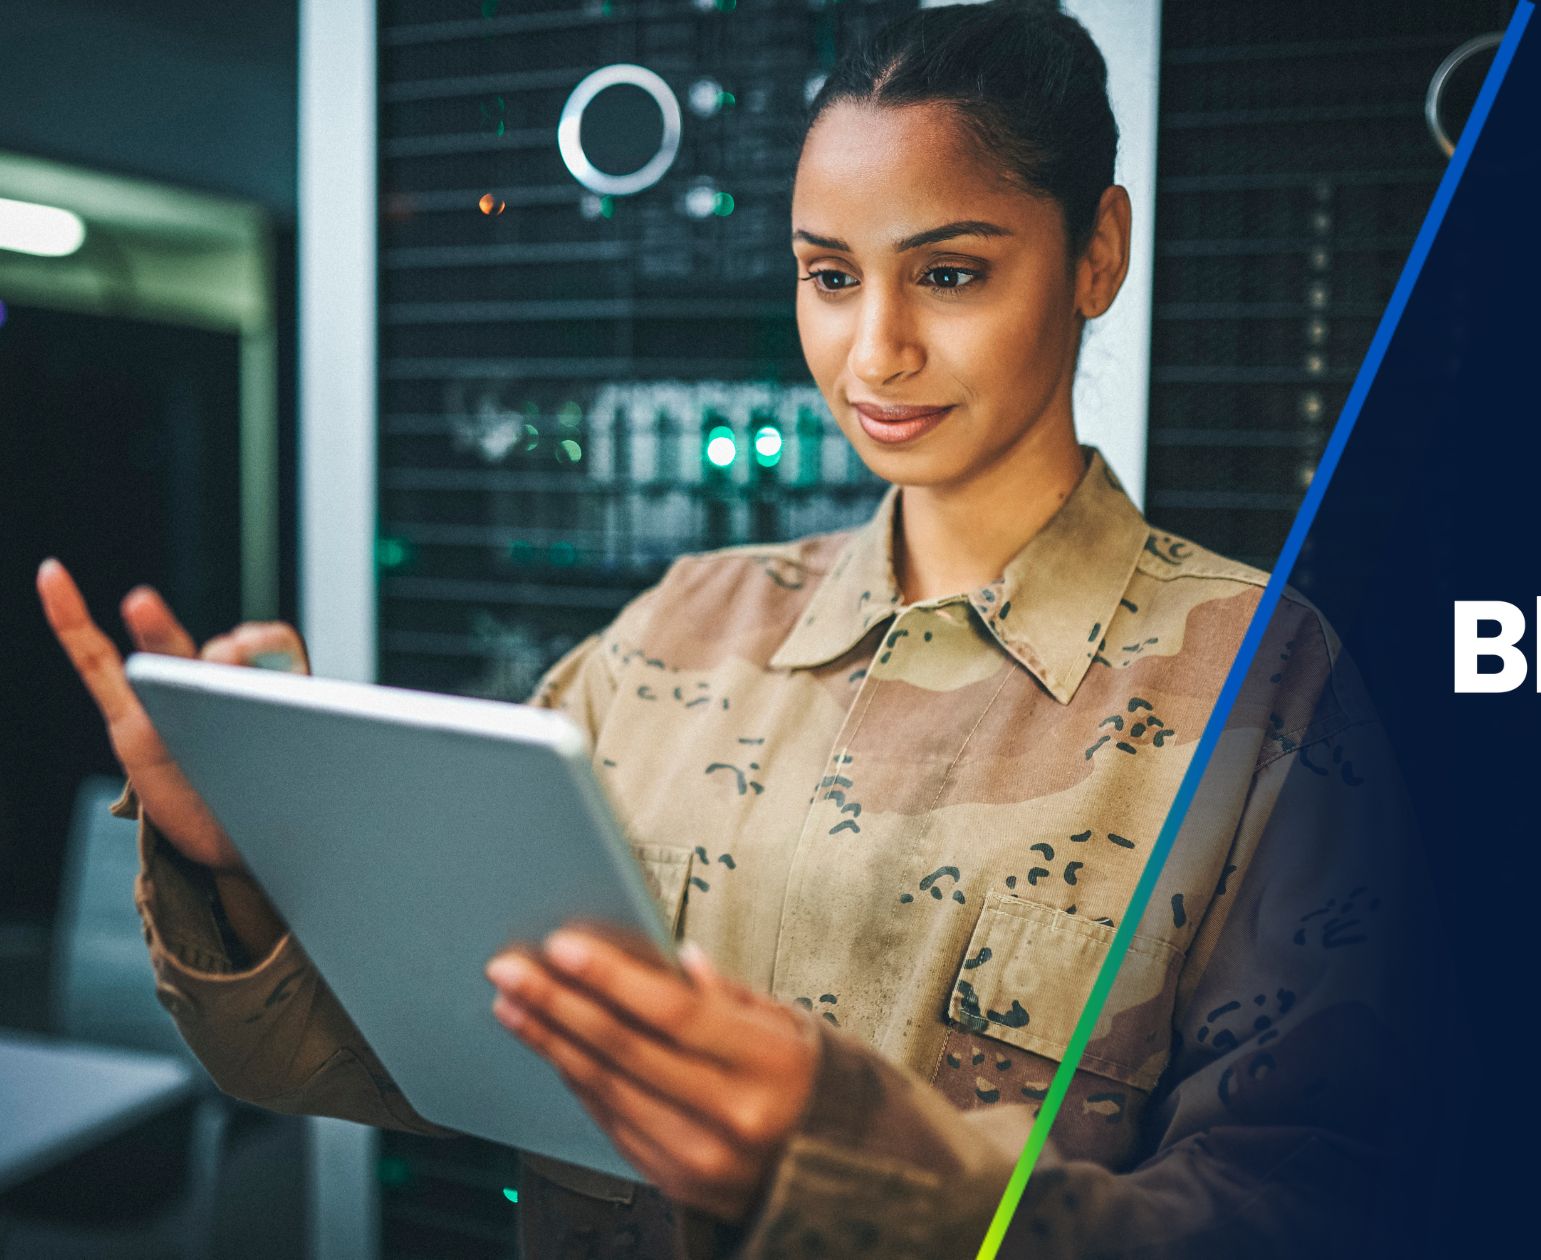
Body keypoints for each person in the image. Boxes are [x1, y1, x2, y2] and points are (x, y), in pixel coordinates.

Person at [38, 4, 1425, 1257]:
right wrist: (254, 865)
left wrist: (847, 1162)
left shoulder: (1261, 688)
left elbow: (1313, 1203)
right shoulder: (677, 633)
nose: (874, 349)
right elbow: (415, 1052)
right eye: (830, 276)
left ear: (1096, 253)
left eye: (948, 276)